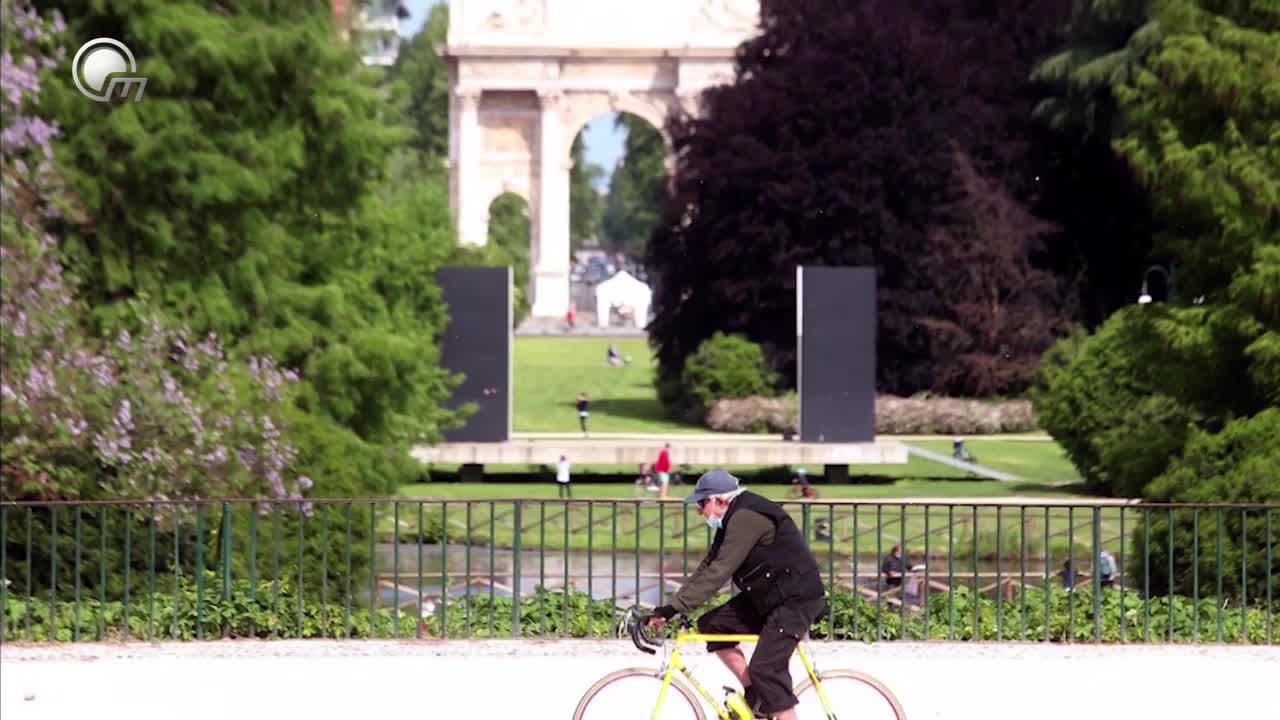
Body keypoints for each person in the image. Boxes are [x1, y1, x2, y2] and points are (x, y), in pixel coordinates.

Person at [644, 470, 825, 720]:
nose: (699, 511)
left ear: (719, 500)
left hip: (795, 599)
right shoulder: (731, 518)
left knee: (766, 669)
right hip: (769, 596)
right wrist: (669, 609)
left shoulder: (745, 519)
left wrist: (675, 608)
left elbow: (719, 571)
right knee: (713, 626)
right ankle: (756, 697)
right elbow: (708, 566)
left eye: (701, 503)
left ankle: (774, 703)